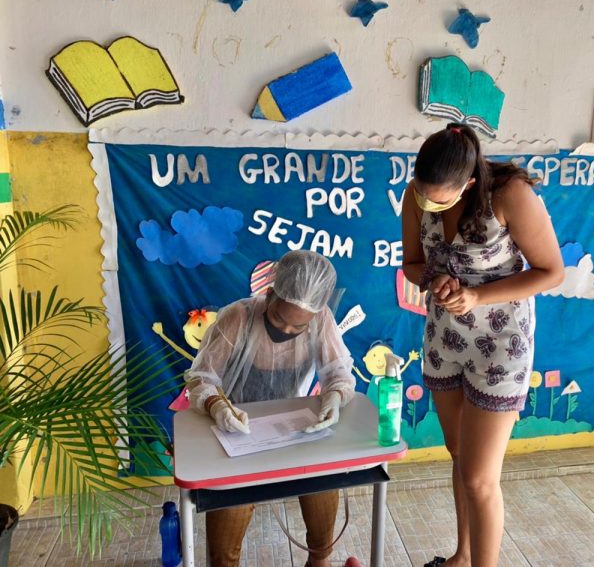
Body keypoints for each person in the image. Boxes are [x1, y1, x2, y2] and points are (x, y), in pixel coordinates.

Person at [401, 124, 564, 567]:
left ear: (469, 183)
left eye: (440, 200)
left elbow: (551, 272)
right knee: (459, 455)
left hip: (501, 347)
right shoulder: (416, 196)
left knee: (479, 479)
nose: (428, 204)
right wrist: (436, 279)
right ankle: (462, 556)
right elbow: (412, 263)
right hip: (445, 339)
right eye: (423, 195)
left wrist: (476, 296)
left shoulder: (509, 195)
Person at [185, 250, 359, 567]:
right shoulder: (238, 317)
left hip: (291, 431)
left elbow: (338, 373)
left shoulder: (321, 319)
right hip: (236, 432)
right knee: (230, 517)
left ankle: (319, 560)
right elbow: (201, 378)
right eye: (279, 319)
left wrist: (335, 397)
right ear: (269, 294)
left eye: (298, 327)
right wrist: (217, 406)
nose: (287, 331)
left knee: (324, 483)